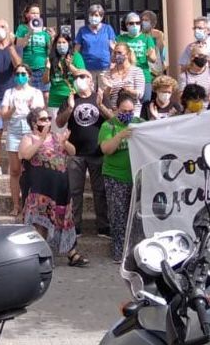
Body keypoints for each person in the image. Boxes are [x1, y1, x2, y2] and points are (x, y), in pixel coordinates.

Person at [18, 108, 83, 266]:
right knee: (41, 223)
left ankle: (72, 253)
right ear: (34, 123)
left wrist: (65, 143)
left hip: (60, 187)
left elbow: (73, 151)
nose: (48, 121)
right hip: (40, 190)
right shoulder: (29, 138)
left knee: (63, 219)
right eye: (43, 119)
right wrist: (40, 140)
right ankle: (43, 256)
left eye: (48, 118)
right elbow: (25, 155)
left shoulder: (56, 137)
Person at [58, 72, 111, 237]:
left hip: (97, 151)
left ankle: (103, 226)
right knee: (75, 191)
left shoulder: (99, 97)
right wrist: (70, 108)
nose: (79, 80)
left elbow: (112, 119)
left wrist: (101, 105)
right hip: (75, 153)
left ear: (90, 80)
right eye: (76, 77)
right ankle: (75, 226)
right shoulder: (70, 99)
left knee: (100, 190)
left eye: (83, 77)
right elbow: (59, 122)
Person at [99, 92, 142, 262]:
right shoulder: (108, 126)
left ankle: (136, 251)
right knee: (118, 215)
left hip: (136, 175)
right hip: (115, 176)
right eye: (124, 110)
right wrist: (120, 136)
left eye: (131, 111)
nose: (128, 114)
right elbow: (106, 149)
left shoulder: (139, 123)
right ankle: (119, 251)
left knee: (137, 216)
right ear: (117, 110)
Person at [1, 64, 44, 217]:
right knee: (14, 170)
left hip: (30, 129)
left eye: (23, 73)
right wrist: (12, 109)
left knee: (33, 168)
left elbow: (40, 115)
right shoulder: (9, 92)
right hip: (13, 131)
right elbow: (3, 115)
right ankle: (16, 205)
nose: (20, 76)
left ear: (29, 75)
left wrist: (32, 108)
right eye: (18, 73)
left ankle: (32, 204)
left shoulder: (36, 92)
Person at [0, 19, 21, 170]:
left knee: (16, 131)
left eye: (3, 27)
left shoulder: (16, 48)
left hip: (13, 95)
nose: (0, 30)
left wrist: (11, 47)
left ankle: (18, 163)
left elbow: (19, 65)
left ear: (8, 30)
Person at [117, 11, 158, 103]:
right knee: (126, 102)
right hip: (126, 75)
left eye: (137, 23)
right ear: (126, 25)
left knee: (145, 102)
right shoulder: (120, 38)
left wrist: (150, 56)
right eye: (131, 23)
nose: (135, 25)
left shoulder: (147, 38)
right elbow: (116, 58)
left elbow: (154, 59)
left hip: (144, 75)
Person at [13, 4, 52, 94]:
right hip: (28, 69)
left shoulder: (44, 31)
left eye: (37, 13)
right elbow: (19, 45)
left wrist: (52, 38)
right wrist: (30, 32)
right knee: (28, 95)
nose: (36, 15)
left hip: (42, 68)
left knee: (45, 95)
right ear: (27, 15)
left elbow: (50, 49)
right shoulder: (22, 28)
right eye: (33, 13)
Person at [76, 4, 117, 82]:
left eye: (96, 15)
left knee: (105, 92)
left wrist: (113, 63)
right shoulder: (82, 30)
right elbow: (76, 51)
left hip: (105, 68)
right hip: (87, 69)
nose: (93, 17)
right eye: (91, 15)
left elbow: (113, 48)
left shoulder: (108, 29)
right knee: (90, 93)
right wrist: (79, 67)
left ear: (101, 17)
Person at [101, 42, 145, 114]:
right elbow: (105, 97)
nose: (117, 55)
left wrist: (129, 91)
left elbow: (140, 94)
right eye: (115, 53)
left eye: (119, 52)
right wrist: (108, 88)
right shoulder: (107, 73)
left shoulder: (137, 71)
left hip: (132, 112)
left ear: (127, 54)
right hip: (115, 112)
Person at [48, 33, 86, 112]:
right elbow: (45, 81)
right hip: (55, 100)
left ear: (69, 43)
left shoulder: (75, 56)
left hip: (72, 98)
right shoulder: (51, 57)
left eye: (64, 42)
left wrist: (69, 66)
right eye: (59, 43)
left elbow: (82, 75)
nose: (61, 45)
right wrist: (47, 68)